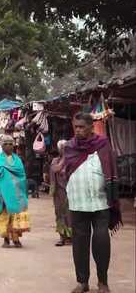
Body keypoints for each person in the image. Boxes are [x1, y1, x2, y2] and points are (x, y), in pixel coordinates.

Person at [64, 112, 121, 293]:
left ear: (90, 127)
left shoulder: (103, 145)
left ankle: (102, 282)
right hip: (77, 202)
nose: (78, 130)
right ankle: (82, 282)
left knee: (101, 241)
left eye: (82, 127)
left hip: (101, 202)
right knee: (79, 244)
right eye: (76, 127)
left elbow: (112, 168)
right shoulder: (70, 147)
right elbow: (66, 170)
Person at [0, 134, 29, 248]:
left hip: (17, 193)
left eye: (11, 144)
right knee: (4, 216)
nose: (8, 146)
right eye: (5, 144)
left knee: (16, 216)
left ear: (14, 145)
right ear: (1, 146)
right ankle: (6, 239)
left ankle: (16, 239)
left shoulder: (18, 160)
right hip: (3, 194)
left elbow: (22, 175)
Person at [49, 140, 72, 247]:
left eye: (65, 147)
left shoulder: (72, 160)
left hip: (71, 191)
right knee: (59, 213)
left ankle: (71, 237)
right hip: (59, 192)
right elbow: (55, 169)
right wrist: (64, 160)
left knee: (70, 214)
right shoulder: (55, 160)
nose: (64, 149)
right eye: (62, 147)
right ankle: (62, 236)